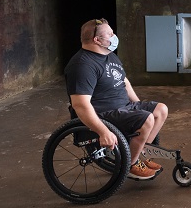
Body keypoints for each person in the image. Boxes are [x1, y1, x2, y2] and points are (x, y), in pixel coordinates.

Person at [64, 18, 168, 180]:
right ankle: (130, 166)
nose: (114, 36)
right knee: (146, 119)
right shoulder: (82, 65)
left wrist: (137, 104)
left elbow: (123, 81)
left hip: (123, 107)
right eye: (110, 34)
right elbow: (80, 105)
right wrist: (103, 131)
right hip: (104, 114)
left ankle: (137, 154)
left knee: (160, 110)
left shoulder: (109, 55)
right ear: (97, 40)